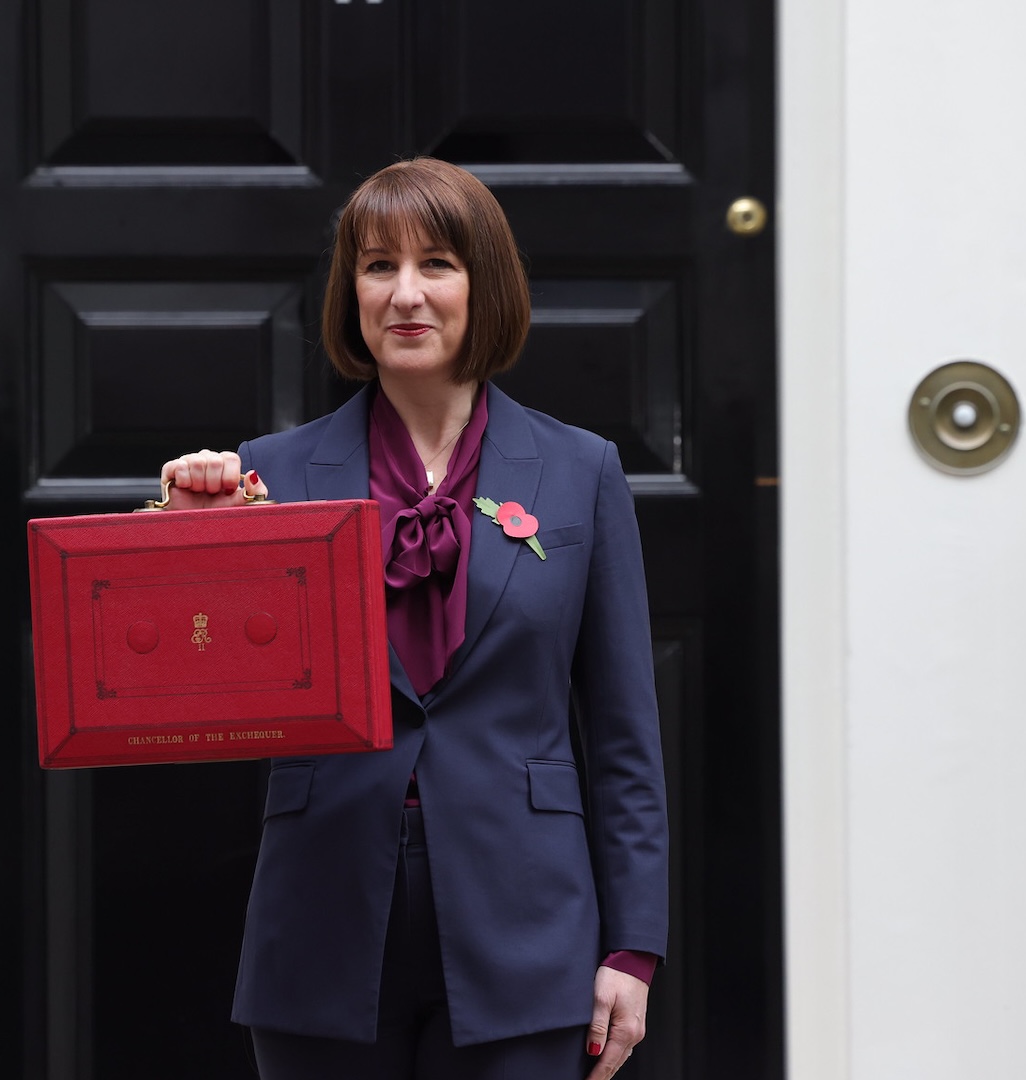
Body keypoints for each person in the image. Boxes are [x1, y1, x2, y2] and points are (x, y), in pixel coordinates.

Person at [159, 157, 667, 1080]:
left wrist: (633, 948)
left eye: (436, 263)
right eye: (376, 265)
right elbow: (196, 694)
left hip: (529, 923)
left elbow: (627, 734)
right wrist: (192, 540)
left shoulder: (578, 470)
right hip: (322, 923)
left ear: (485, 285)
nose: (405, 294)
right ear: (349, 290)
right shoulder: (270, 473)